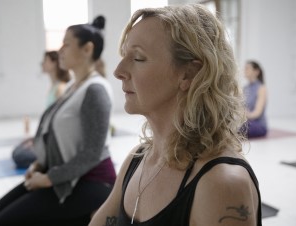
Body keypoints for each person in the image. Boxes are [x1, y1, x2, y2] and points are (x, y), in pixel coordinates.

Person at [89, 4, 262, 226]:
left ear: (188, 74)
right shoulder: (137, 159)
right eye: (124, 55)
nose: (118, 71)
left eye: (138, 58)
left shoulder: (221, 184)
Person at [0, 15, 116, 226]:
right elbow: (56, 137)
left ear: (87, 49)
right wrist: (40, 165)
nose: (61, 50)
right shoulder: (72, 87)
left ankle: (90, 216)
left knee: (6, 221)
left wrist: (48, 179)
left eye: (66, 44)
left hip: (92, 180)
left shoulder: (95, 90)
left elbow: (92, 153)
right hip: (65, 173)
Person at [12, 51, 71, 169]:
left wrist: (38, 143)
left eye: (45, 61)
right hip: (45, 138)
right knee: (18, 150)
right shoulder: (53, 87)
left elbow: (56, 124)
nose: (42, 64)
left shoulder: (60, 88)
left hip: (51, 143)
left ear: (54, 63)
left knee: (19, 155)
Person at [243, 60, 268, 138]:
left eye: (247, 68)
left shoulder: (261, 88)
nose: (245, 70)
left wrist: (244, 115)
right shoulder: (245, 88)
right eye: (245, 68)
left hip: (258, 125)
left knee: (235, 128)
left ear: (256, 71)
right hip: (246, 121)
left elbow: (257, 113)